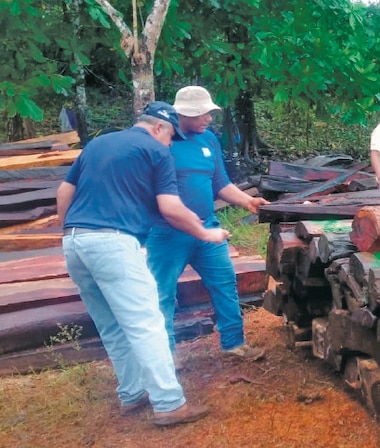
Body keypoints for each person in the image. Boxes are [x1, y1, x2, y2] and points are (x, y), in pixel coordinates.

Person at [57, 101, 228, 426]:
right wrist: (206, 234)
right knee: (146, 323)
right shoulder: (156, 151)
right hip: (114, 242)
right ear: (159, 127)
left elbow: (64, 192)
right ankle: (169, 403)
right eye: (171, 136)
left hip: (75, 241)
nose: (171, 143)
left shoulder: (99, 143)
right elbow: (170, 207)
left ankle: (132, 393)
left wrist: (70, 232)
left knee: (111, 325)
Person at [146, 86, 269, 363]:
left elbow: (220, 183)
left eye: (210, 113)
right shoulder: (162, 141)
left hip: (208, 230)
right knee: (162, 294)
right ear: (183, 115)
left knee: (225, 283)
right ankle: (162, 358)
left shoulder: (209, 140)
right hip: (167, 233)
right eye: (203, 113)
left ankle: (233, 343)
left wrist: (249, 202)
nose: (209, 118)